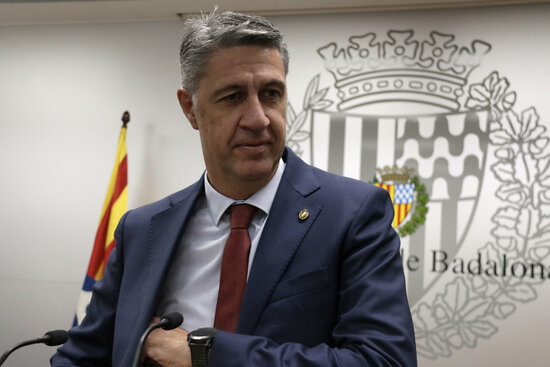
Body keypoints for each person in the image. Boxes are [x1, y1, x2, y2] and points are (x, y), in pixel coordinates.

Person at [51, 10, 416, 367]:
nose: (258, 118)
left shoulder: (353, 213)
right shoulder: (142, 229)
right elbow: (82, 356)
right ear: (190, 109)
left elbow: (384, 359)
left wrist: (205, 353)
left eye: (271, 93)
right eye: (233, 97)